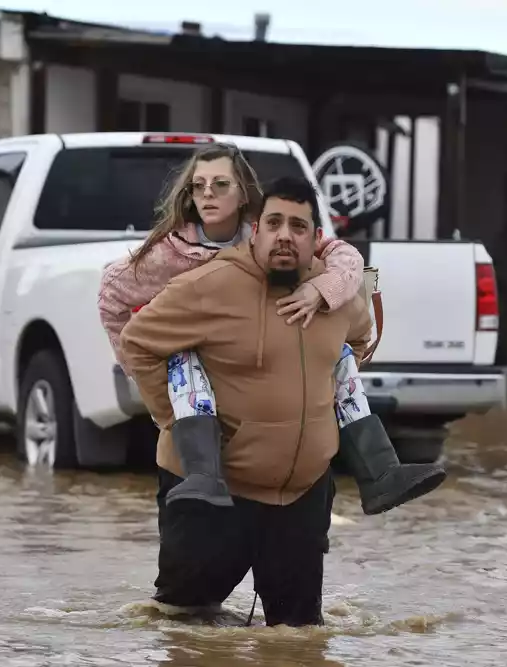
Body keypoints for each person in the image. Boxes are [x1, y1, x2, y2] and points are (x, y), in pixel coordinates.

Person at [97, 142, 445, 516]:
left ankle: (380, 473)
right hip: (200, 364)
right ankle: (203, 473)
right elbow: (111, 296)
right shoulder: (171, 253)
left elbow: (346, 257)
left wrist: (321, 288)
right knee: (185, 356)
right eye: (199, 186)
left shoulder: (269, 230)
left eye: (220, 185)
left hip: (281, 361)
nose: (208, 194)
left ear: (244, 191)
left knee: (339, 355)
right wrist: (154, 389)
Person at [118, 175, 378, 625]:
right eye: (273, 222)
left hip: (302, 495)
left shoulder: (332, 294)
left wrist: (318, 416)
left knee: (297, 639)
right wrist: (174, 420)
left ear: (317, 239)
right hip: (216, 492)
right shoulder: (211, 285)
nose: (284, 235)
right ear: (255, 230)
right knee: (185, 629)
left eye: (298, 227)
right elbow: (138, 342)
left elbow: (358, 339)